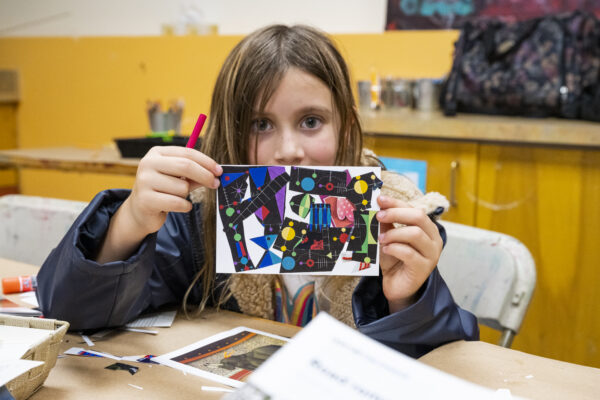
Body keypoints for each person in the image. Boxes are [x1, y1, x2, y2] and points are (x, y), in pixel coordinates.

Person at [37, 24, 478, 358]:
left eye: (311, 121)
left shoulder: (393, 215)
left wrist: (407, 298)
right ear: (230, 131)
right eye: (261, 125)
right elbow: (71, 313)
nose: (289, 151)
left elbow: (450, 360)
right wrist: (130, 222)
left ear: (346, 122)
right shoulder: (200, 218)